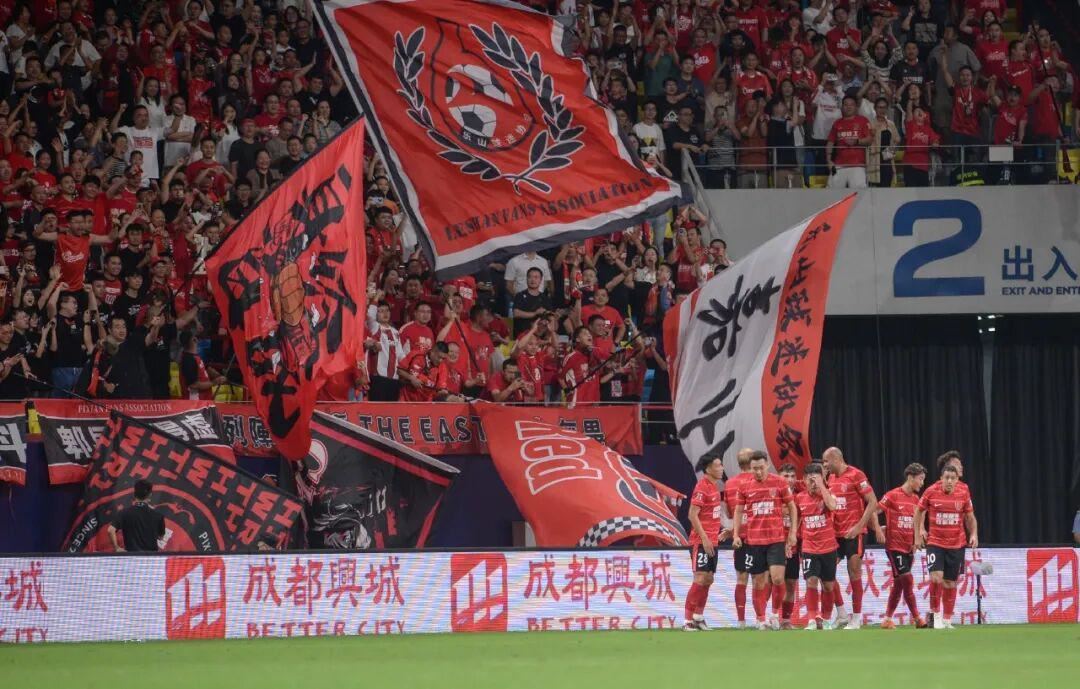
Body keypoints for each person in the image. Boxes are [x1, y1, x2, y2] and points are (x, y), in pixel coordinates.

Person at [731, 450, 798, 630]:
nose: (758, 472)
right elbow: (738, 511)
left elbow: (792, 507)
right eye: (755, 469)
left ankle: (774, 614)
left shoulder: (779, 482)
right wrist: (736, 534)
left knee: (777, 579)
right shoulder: (744, 486)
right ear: (750, 468)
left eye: (761, 467)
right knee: (759, 581)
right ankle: (761, 620)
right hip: (754, 542)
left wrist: (792, 532)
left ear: (767, 465)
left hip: (776, 540)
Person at [823, 446, 885, 630]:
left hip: (853, 534)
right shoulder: (830, 478)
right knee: (826, 573)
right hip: (834, 535)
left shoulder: (856, 475)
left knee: (854, 572)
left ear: (836, 459)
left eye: (826, 461)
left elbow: (872, 502)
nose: (824, 465)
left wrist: (859, 526)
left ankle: (856, 618)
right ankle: (842, 613)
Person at [914, 463, 978, 629]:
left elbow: (970, 517)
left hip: (956, 544)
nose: (949, 481)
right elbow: (918, 511)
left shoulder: (963, 493)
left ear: (957, 480)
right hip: (935, 543)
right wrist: (918, 534)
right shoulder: (931, 491)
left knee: (950, 582)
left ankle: (947, 619)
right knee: (936, 578)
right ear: (941, 478)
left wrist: (974, 534)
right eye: (947, 478)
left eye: (953, 478)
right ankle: (935, 616)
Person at [877, 463, 929, 629]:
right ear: (910, 477)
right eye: (920, 479)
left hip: (909, 548)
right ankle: (917, 618)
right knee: (907, 579)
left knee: (899, 584)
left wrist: (917, 536)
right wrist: (877, 529)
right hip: (894, 547)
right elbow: (874, 510)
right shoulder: (892, 495)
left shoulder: (916, 500)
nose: (922, 483)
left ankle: (887, 619)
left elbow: (918, 521)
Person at [684, 454, 731, 631]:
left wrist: (724, 531)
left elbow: (712, 515)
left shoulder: (714, 487)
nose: (721, 468)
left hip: (712, 541)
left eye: (721, 465)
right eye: (718, 465)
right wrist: (704, 538)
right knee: (700, 577)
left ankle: (698, 617)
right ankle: (687, 621)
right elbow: (692, 514)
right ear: (709, 469)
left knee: (708, 579)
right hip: (700, 541)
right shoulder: (702, 487)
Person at [796, 463, 839, 630]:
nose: (813, 483)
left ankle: (826, 619)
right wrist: (791, 538)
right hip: (809, 548)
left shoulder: (828, 494)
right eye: (810, 480)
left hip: (829, 548)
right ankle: (812, 620)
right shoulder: (799, 498)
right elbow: (796, 519)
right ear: (804, 480)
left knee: (828, 586)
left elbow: (833, 506)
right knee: (811, 581)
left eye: (816, 479)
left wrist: (822, 486)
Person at [723, 448, 754, 627]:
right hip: (759, 536)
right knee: (761, 579)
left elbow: (729, 513)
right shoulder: (759, 481)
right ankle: (762, 619)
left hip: (739, 536)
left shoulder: (729, 484)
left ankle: (741, 621)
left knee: (741, 579)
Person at [826, 96, 872, 188]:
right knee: (831, 192)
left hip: (858, 165)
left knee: (859, 193)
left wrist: (857, 141)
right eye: (846, 105)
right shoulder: (837, 123)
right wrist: (829, 161)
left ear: (856, 107)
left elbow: (870, 140)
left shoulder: (863, 120)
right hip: (839, 165)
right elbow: (830, 142)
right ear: (842, 107)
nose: (849, 107)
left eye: (851, 104)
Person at [107, 480, 165, 552]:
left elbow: (110, 530)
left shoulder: (124, 513)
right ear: (150, 495)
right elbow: (160, 537)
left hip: (132, 556)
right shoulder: (157, 515)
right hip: (151, 557)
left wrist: (117, 548)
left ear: (134, 494)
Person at [778, 463, 801, 628]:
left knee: (791, 584)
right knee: (772, 583)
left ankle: (786, 620)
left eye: (792, 476)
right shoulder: (772, 496)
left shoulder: (801, 496)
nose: (790, 479)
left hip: (793, 547)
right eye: (786, 476)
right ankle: (767, 618)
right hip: (774, 546)